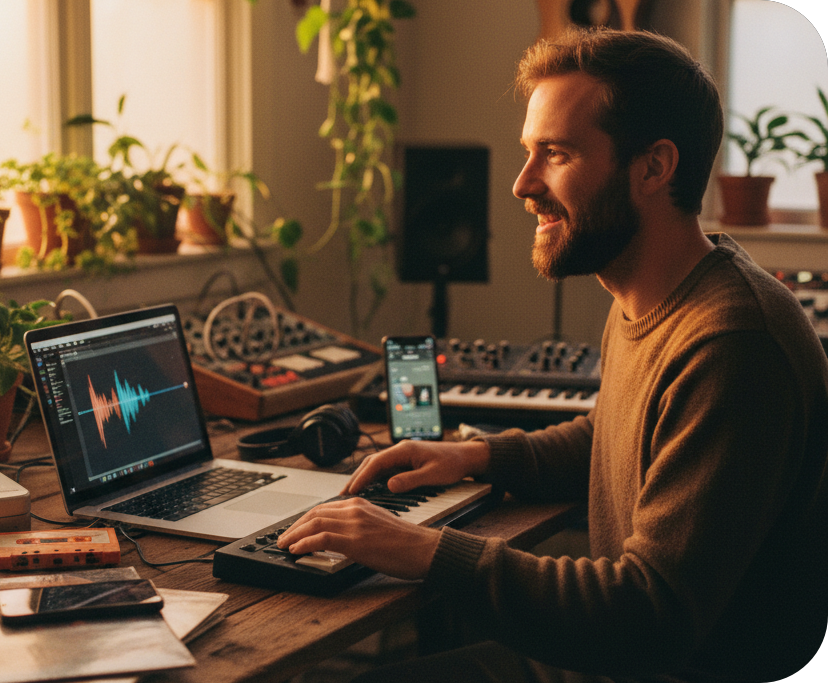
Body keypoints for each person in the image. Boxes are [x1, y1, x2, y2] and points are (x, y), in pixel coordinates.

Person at [277, 27, 828, 683]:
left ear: (653, 166)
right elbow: (620, 435)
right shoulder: (650, 289)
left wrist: (423, 548)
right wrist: (477, 454)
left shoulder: (733, 342)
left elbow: (650, 611)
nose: (521, 185)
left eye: (555, 154)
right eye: (527, 153)